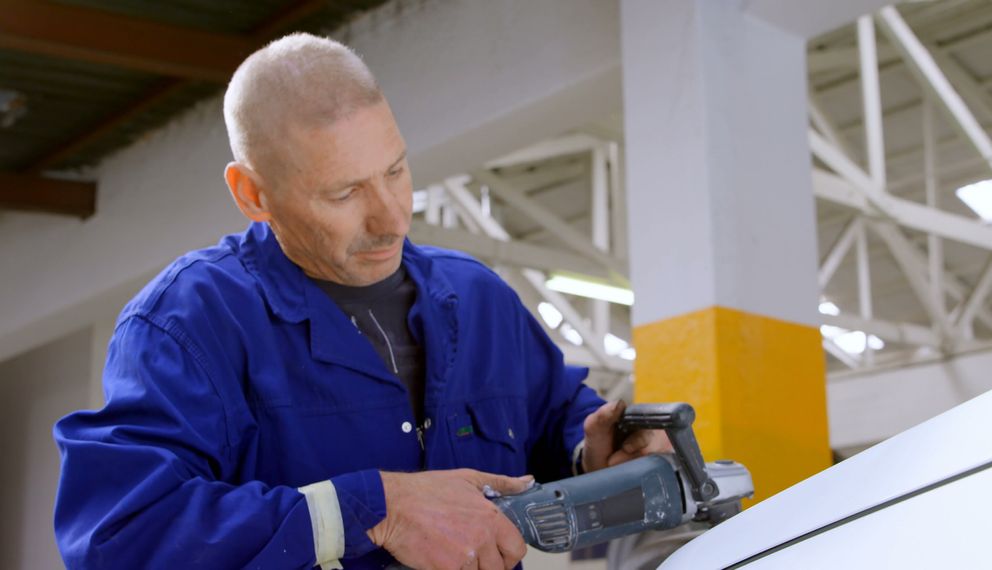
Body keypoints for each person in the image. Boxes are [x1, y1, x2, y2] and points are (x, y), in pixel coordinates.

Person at [53, 33, 670, 570]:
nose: (391, 218)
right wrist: (375, 510)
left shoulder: (478, 299)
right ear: (252, 194)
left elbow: (556, 422)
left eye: (396, 171)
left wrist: (593, 456)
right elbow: (120, 534)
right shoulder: (187, 324)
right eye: (344, 192)